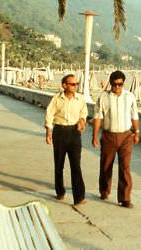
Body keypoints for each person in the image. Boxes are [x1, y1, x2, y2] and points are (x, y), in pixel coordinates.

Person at [92, 70, 139, 208]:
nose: (117, 87)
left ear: (123, 83)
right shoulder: (103, 97)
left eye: (120, 84)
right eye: (114, 84)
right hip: (109, 135)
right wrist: (94, 136)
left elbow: (134, 115)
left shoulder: (130, 97)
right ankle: (104, 191)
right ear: (110, 83)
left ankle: (125, 198)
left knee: (125, 167)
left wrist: (137, 132)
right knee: (106, 165)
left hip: (126, 136)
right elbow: (97, 118)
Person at [45, 74, 88, 206]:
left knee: (76, 165)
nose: (76, 86)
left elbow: (83, 112)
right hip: (60, 132)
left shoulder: (80, 99)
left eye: (77, 84)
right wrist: (48, 131)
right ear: (65, 85)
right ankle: (60, 191)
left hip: (74, 133)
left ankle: (79, 197)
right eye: (73, 84)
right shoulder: (57, 99)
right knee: (59, 164)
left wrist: (82, 120)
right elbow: (49, 114)